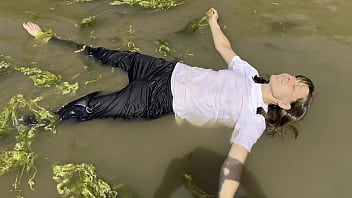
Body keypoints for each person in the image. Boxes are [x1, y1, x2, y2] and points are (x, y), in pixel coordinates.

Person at [22, 8, 314, 198]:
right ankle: (51, 41)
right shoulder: (251, 75)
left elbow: (233, 165)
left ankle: (33, 123)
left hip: (156, 99)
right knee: (105, 54)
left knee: (89, 106)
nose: (290, 78)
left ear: (286, 105)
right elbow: (226, 49)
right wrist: (213, 22)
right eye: (295, 77)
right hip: (163, 69)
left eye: (295, 87)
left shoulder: (254, 118)